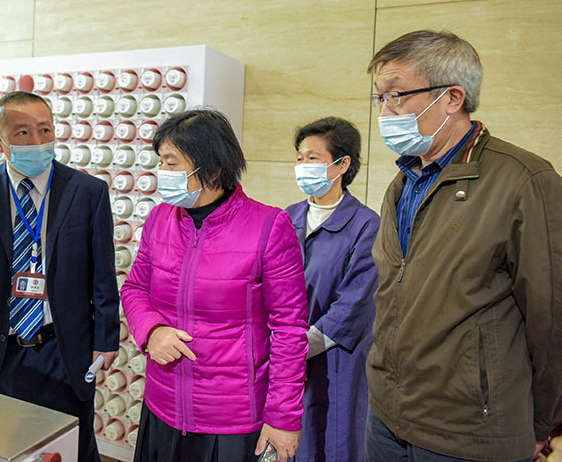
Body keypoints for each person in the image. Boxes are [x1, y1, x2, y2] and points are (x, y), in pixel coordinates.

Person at [365, 30, 562, 461]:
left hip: (470, 430)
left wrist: (544, 420)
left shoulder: (524, 181)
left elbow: (551, 318)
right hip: (386, 416)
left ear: (452, 98)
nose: (384, 111)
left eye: (396, 95)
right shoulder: (404, 181)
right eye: (379, 98)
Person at [120, 109, 309, 462]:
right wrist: (151, 330)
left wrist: (283, 417)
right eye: (161, 162)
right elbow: (134, 289)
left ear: (212, 168)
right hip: (163, 405)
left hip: (232, 421)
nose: (163, 173)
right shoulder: (160, 218)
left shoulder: (269, 226)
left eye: (172, 163)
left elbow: (289, 329)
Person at [0, 91, 120, 462]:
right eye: (22, 132)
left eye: (45, 130)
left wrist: (106, 338)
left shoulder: (87, 192)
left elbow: (103, 272)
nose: (37, 141)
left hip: (64, 350)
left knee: (68, 448)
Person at [285, 117, 379, 462]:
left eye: (313, 158)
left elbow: (354, 304)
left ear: (342, 164)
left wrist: (298, 348)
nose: (302, 167)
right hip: (286, 356)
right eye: (299, 158)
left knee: (330, 439)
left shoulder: (366, 225)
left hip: (335, 357)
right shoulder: (287, 218)